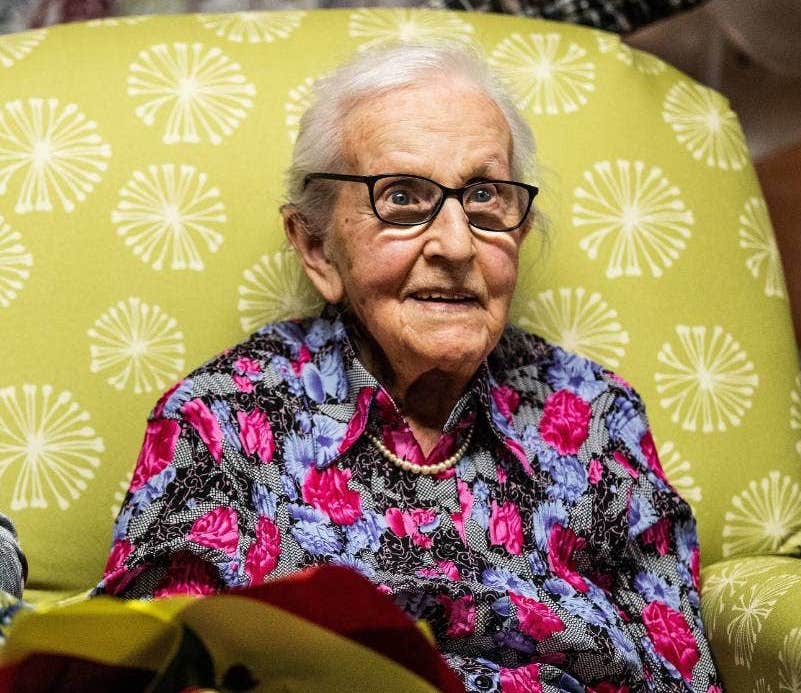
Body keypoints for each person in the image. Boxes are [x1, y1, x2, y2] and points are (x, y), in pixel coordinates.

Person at [96, 43, 723, 691]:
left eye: (484, 195)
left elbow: (681, 672)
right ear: (317, 248)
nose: (456, 244)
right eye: (400, 196)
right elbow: (145, 670)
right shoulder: (220, 420)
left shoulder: (594, 414)